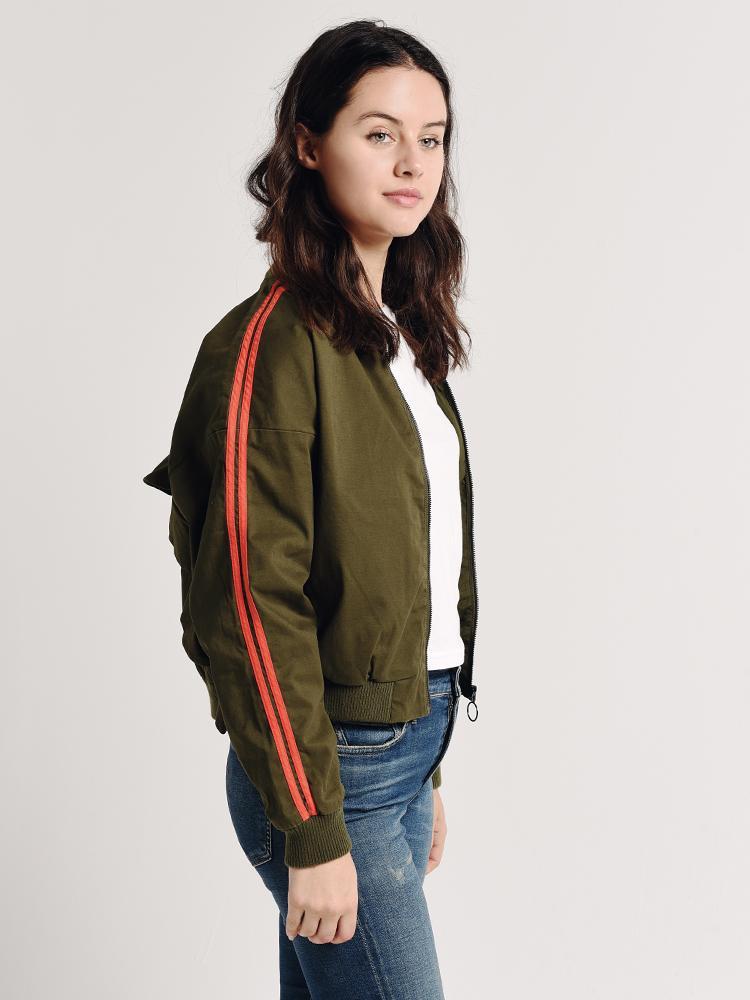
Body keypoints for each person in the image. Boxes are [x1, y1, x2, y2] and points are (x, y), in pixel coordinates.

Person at [143, 18, 479, 1000]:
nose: (413, 162)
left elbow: (402, 569)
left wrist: (428, 769)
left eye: (431, 137)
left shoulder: (401, 337)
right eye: (379, 134)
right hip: (331, 770)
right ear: (308, 143)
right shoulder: (268, 346)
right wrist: (314, 823)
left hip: (403, 749)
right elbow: (249, 603)